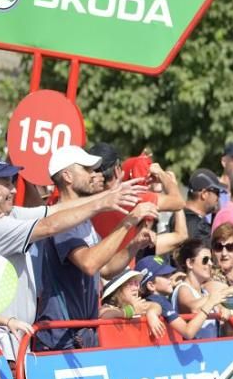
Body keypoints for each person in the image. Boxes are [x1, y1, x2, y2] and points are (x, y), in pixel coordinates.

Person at [0, 156, 146, 332]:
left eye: (12, 182)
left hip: (14, 337)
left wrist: (111, 194)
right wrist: (103, 204)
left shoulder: (10, 214)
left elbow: (56, 210)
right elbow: (49, 225)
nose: (13, 190)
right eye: (6, 184)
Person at [36, 145, 157, 350]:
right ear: (67, 176)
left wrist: (134, 245)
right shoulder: (61, 220)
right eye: (87, 169)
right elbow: (90, 263)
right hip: (61, 338)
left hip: (83, 333)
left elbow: (106, 268)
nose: (95, 175)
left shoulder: (83, 219)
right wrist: (129, 221)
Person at [135, 255, 222, 340]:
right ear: (151, 285)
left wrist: (169, 284)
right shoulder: (160, 301)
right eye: (165, 275)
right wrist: (210, 303)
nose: (170, 277)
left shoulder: (152, 299)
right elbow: (188, 332)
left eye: (169, 273)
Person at [98, 268, 166, 339]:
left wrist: (152, 314)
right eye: (130, 283)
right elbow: (103, 314)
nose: (135, 288)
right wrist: (131, 310)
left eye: (136, 283)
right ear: (117, 290)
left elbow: (155, 305)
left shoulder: (140, 305)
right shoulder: (109, 307)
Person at [183, 168, 224, 245]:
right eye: (217, 193)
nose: (219, 198)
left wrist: (215, 215)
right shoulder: (198, 226)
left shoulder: (180, 217)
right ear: (204, 194)